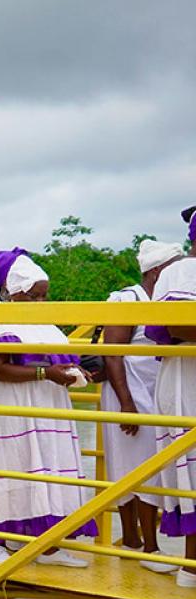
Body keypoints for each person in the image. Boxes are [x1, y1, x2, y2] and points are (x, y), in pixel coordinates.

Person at [0, 249, 94, 568]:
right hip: (13, 402)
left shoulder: (45, 323)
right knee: (12, 465)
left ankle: (46, 545)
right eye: (34, 295)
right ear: (14, 291)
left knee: (47, 467)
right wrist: (47, 373)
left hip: (46, 403)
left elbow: (53, 360)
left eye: (44, 295)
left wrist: (73, 371)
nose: (41, 301)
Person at [99, 240, 184, 573]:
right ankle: (146, 545)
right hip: (128, 392)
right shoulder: (127, 299)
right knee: (135, 465)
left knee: (150, 463)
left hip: (152, 390)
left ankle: (135, 543)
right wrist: (126, 404)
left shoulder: (164, 300)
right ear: (157, 271)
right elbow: (113, 353)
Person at [146, 216, 196, 587]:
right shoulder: (181, 272)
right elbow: (177, 325)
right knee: (190, 466)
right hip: (186, 375)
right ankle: (191, 566)